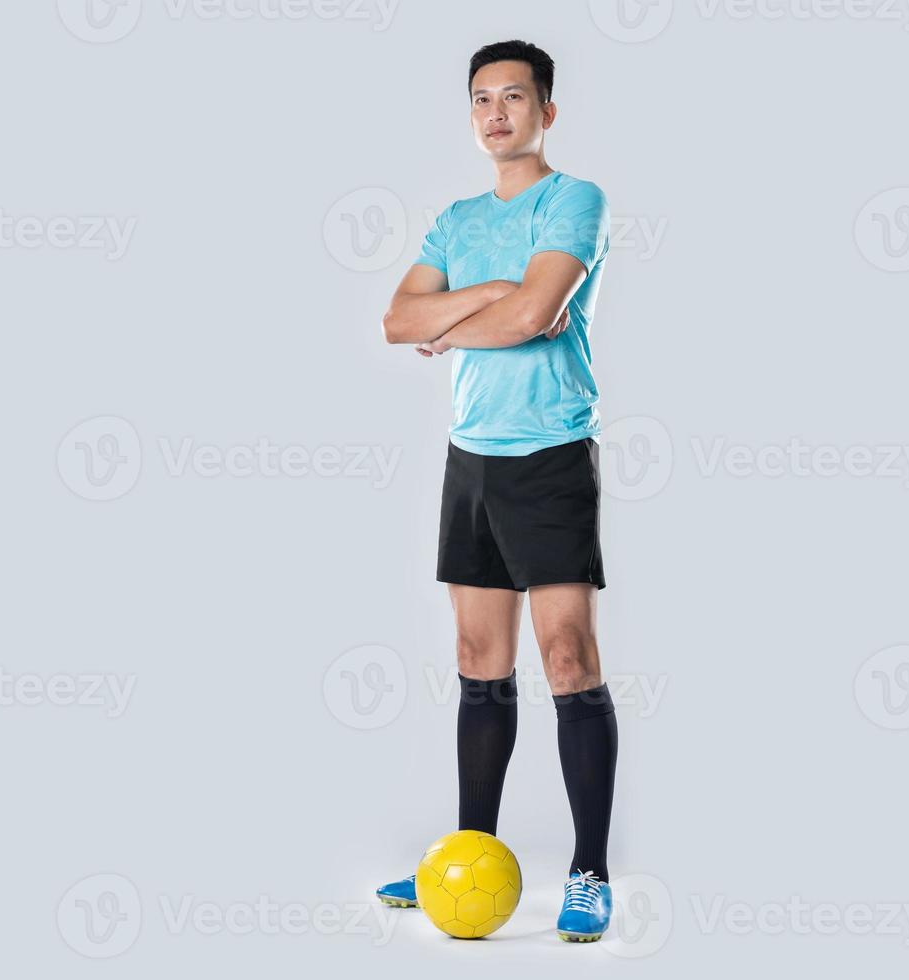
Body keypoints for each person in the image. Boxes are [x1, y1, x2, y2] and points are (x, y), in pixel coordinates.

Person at [376, 39, 619, 943]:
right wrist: (485, 294)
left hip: (551, 454)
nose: (497, 113)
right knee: (479, 662)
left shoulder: (576, 200)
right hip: (471, 459)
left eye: (515, 97)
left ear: (547, 111)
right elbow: (398, 321)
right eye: (482, 99)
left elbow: (538, 314)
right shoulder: (455, 218)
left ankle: (590, 871)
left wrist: (465, 319)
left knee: (566, 659)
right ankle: (467, 855)